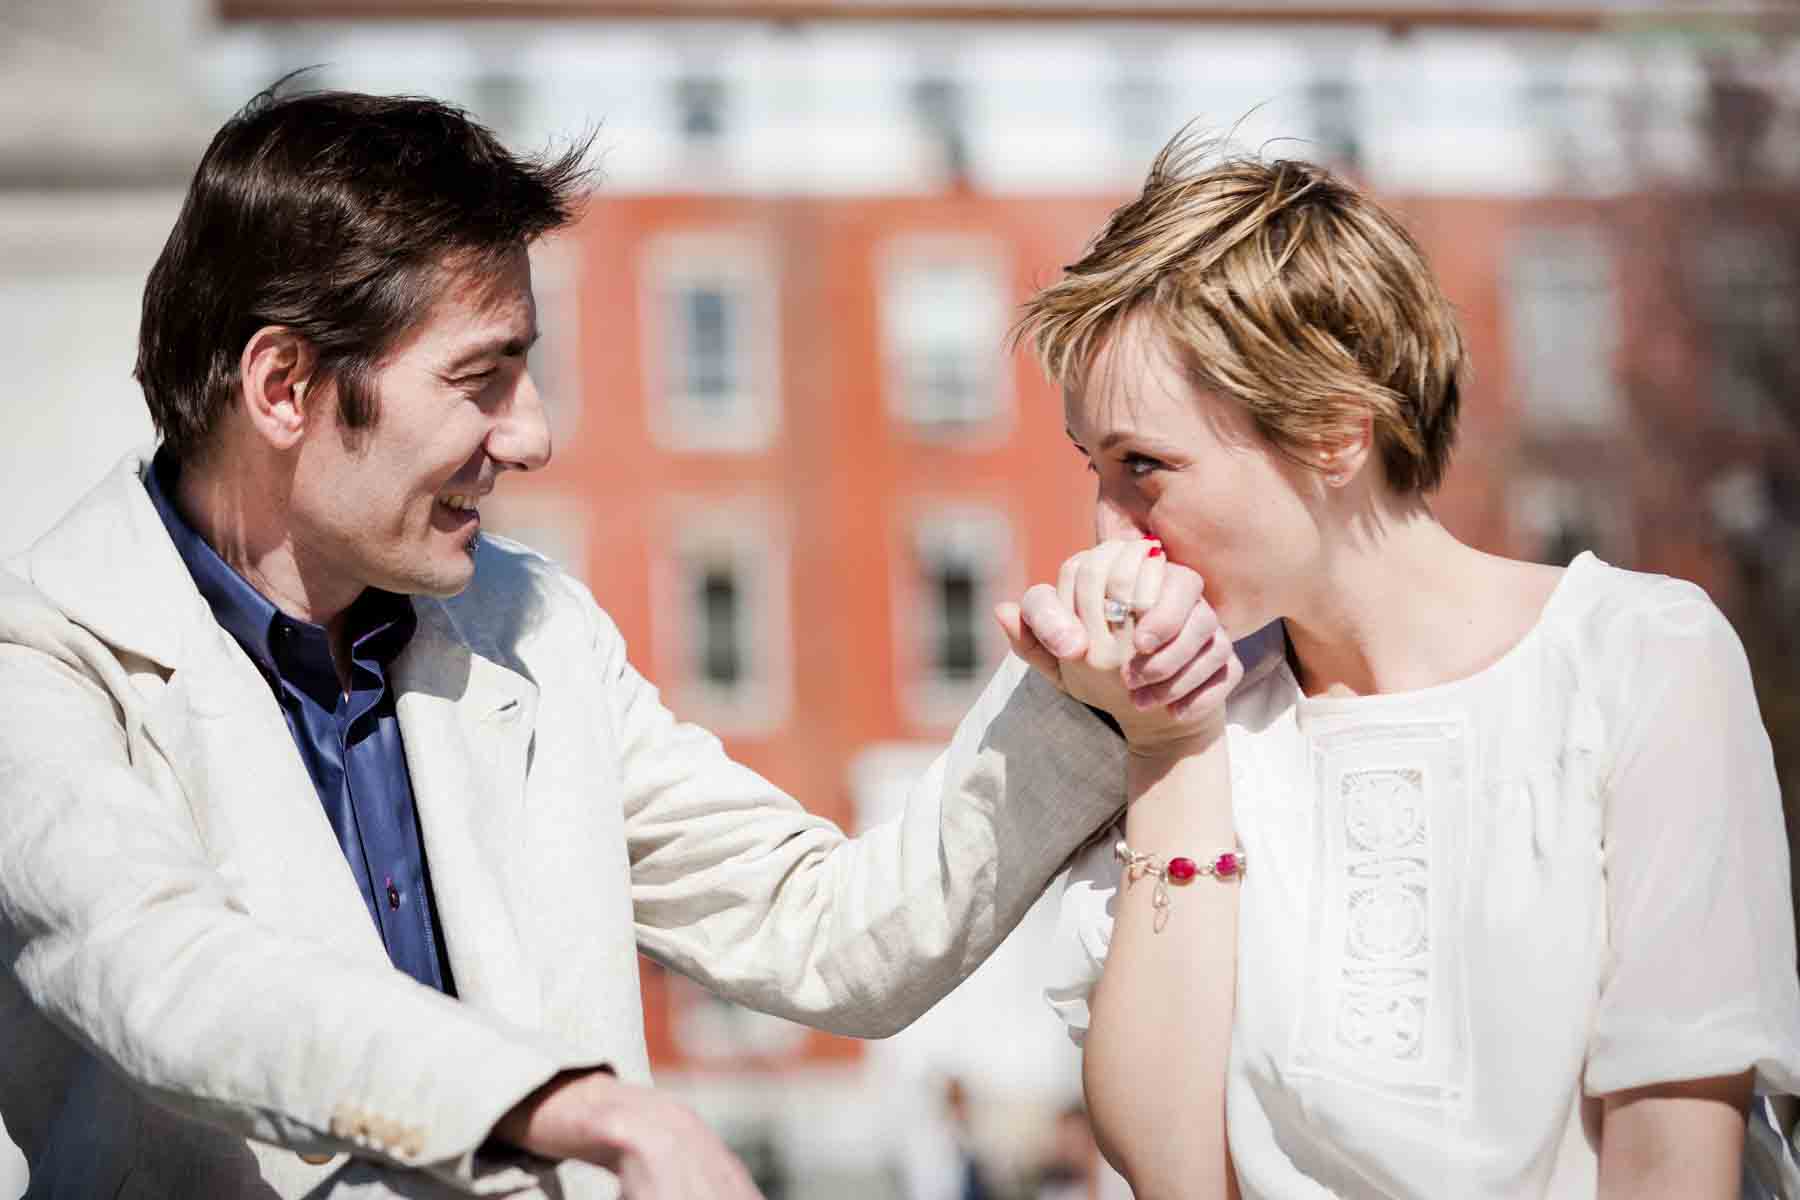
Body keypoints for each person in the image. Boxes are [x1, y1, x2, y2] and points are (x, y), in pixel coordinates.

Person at [0, 86, 1228, 1200]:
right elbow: (169, 974)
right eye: (482, 379)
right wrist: (580, 1112)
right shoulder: (43, 665)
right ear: (283, 386)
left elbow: (826, 926)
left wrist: (1088, 700)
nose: (532, 436)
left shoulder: (533, 630)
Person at [1010, 131, 1800, 1198]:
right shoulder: (1192, 724)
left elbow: (1674, 1158)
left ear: (1336, 430)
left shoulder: (1641, 660)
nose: (1112, 530)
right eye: (1094, 468)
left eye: (1145, 466)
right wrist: (1169, 745)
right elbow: (1173, 1170)